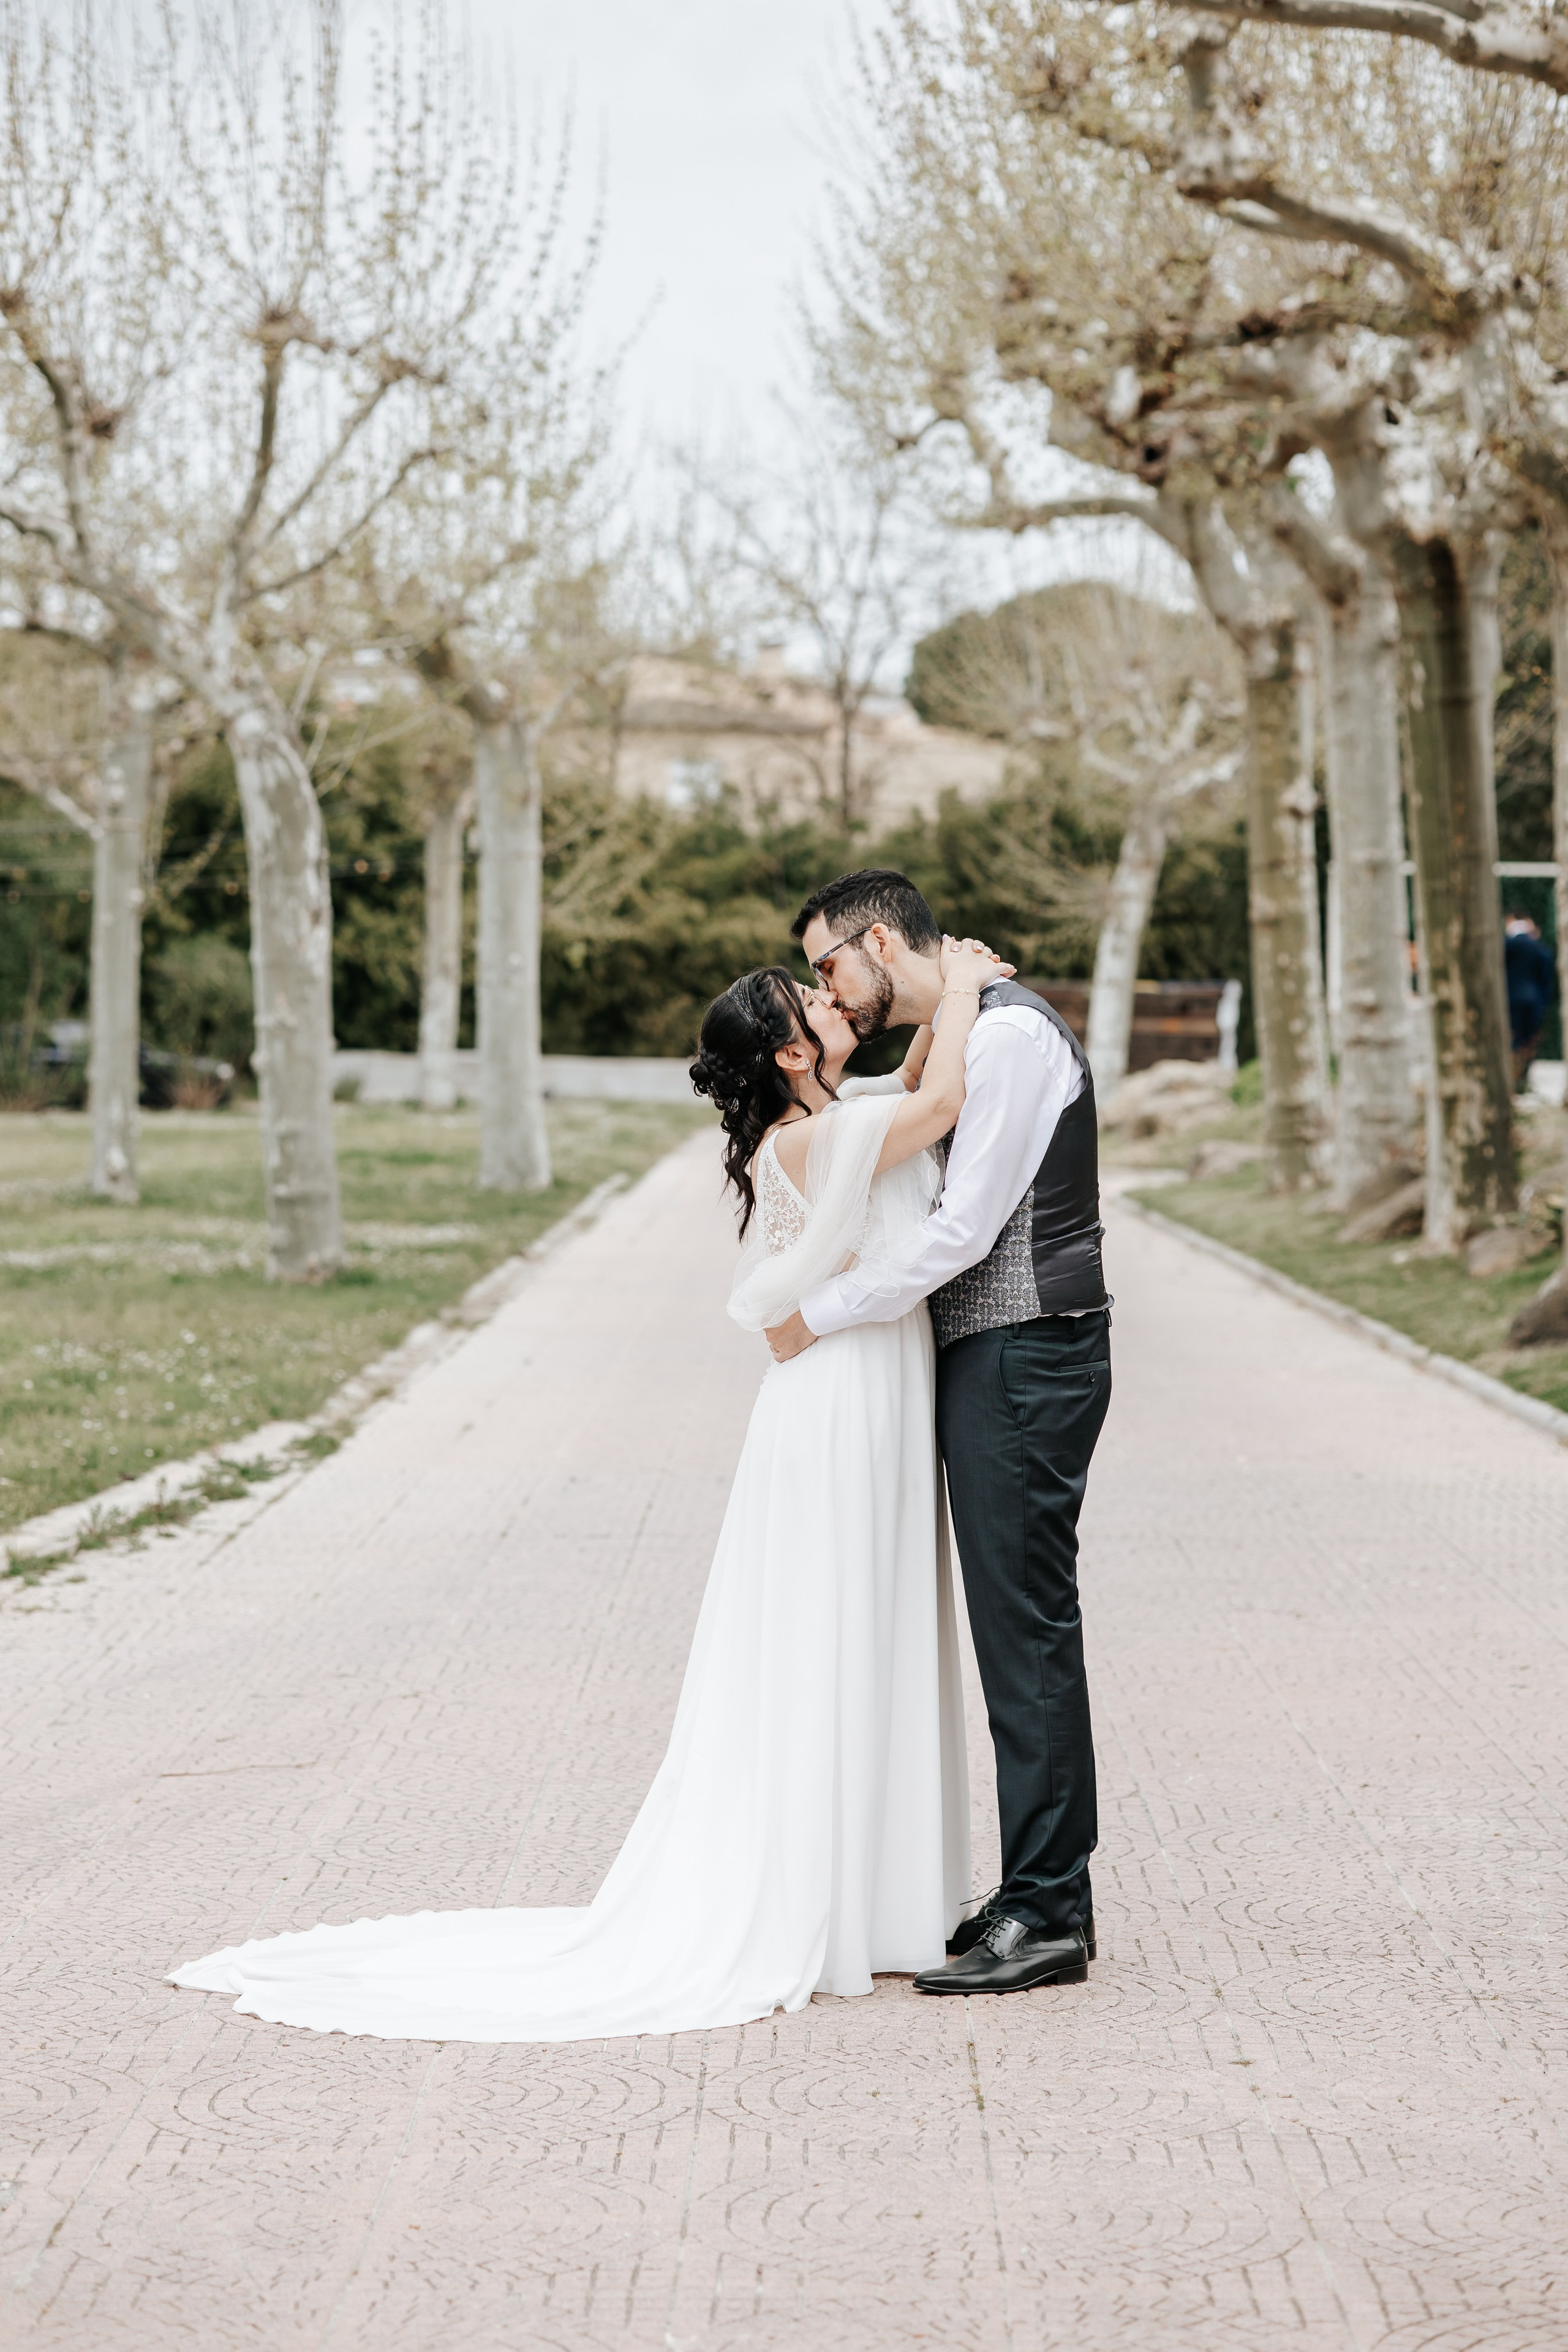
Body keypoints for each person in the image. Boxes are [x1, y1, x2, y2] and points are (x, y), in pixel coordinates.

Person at [168, 937, 1006, 2042]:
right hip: (841, 1408)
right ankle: (837, 1899)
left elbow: (904, 1094)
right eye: (812, 998)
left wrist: (935, 1014)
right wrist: (966, 988)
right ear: (796, 1056)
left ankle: (875, 1894)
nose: (832, 995)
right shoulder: (815, 1143)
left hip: (864, 1391)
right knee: (832, 1632)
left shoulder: (829, 1125)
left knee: (867, 1629)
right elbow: (940, 1102)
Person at [767, 870, 1110, 1997]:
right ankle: (1034, 1890)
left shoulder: (1009, 1039)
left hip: (1027, 1350)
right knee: (1013, 1628)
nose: (829, 989)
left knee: (1025, 1629)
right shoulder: (973, 1031)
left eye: (827, 966)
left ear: (876, 941)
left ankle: (1051, 1911)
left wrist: (817, 1314)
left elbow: (966, 1229)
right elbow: (911, 1111)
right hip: (998, 1355)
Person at [1505, 913, 1558, 1093]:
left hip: (1511, 1001)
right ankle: (1522, 1081)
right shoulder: (1539, 947)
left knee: (1513, 1040)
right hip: (1534, 1001)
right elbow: (1546, 979)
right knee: (1528, 1042)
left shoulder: (1507, 945)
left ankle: (1512, 1082)